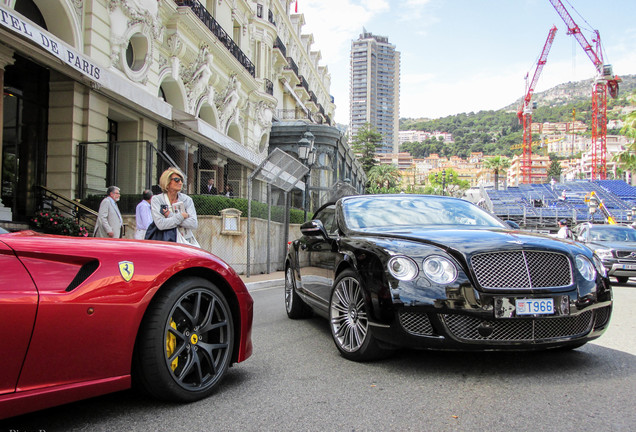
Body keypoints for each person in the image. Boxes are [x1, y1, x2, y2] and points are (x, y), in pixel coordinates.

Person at [150, 167, 198, 245]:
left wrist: (170, 215)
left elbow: (193, 223)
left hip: (185, 241)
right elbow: (161, 224)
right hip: (164, 241)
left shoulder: (187, 200)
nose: (180, 183)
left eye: (181, 180)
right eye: (176, 180)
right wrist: (181, 216)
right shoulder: (157, 200)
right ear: (167, 182)